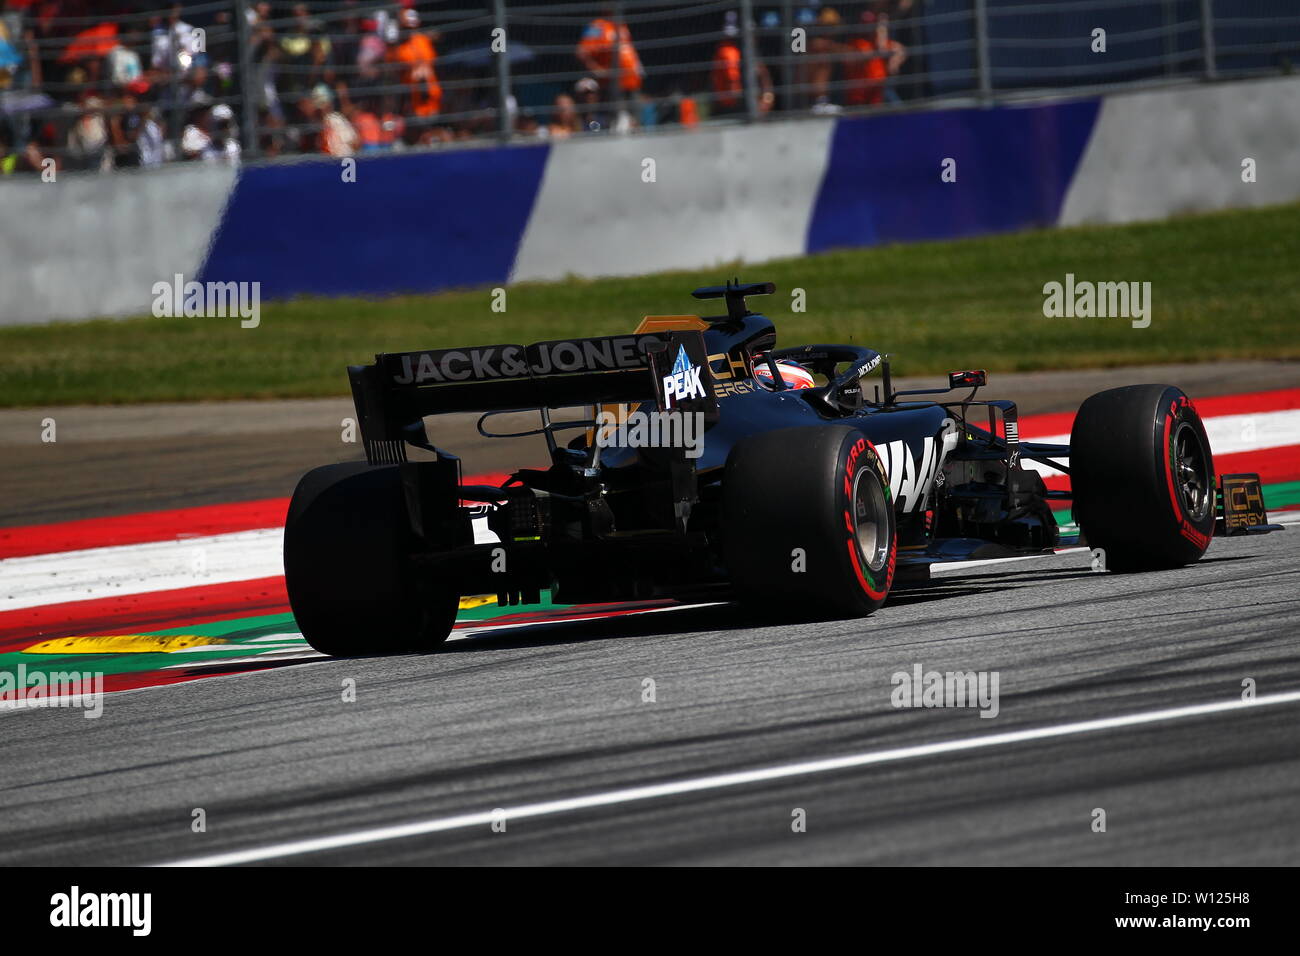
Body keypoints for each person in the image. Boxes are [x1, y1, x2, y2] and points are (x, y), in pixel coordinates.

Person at [710, 12, 773, 117]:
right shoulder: (728, 51)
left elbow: (765, 78)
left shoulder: (750, 52)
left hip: (749, 104)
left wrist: (766, 101)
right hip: (732, 106)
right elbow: (733, 83)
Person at [576, 6, 643, 101]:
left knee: (635, 115)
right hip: (613, 86)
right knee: (617, 115)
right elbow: (582, 52)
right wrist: (597, 70)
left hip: (633, 82)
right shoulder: (598, 26)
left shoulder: (621, 25)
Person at [844, 11, 907, 107]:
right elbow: (869, 53)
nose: (867, 28)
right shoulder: (857, 43)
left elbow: (900, 50)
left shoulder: (878, 41)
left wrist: (894, 62)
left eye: (870, 25)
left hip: (879, 90)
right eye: (865, 25)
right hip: (860, 94)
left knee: (895, 105)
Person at [387, 8, 441, 120]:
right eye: (405, 27)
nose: (409, 31)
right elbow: (394, 74)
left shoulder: (423, 40)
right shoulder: (396, 50)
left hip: (433, 98)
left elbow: (433, 63)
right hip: (411, 103)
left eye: (411, 27)